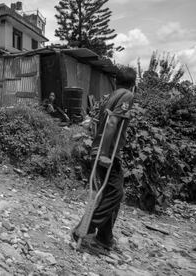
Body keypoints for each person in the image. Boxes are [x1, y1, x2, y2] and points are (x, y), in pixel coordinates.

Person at [72, 66, 137, 250]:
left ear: (116, 80)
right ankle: (85, 228)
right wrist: (104, 154)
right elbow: (112, 122)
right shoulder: (127, 95)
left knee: (110, 194)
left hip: (102, 149)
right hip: (106, 152)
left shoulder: (110, 96)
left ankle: (105, 238)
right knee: (116, 193)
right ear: (133, 84)